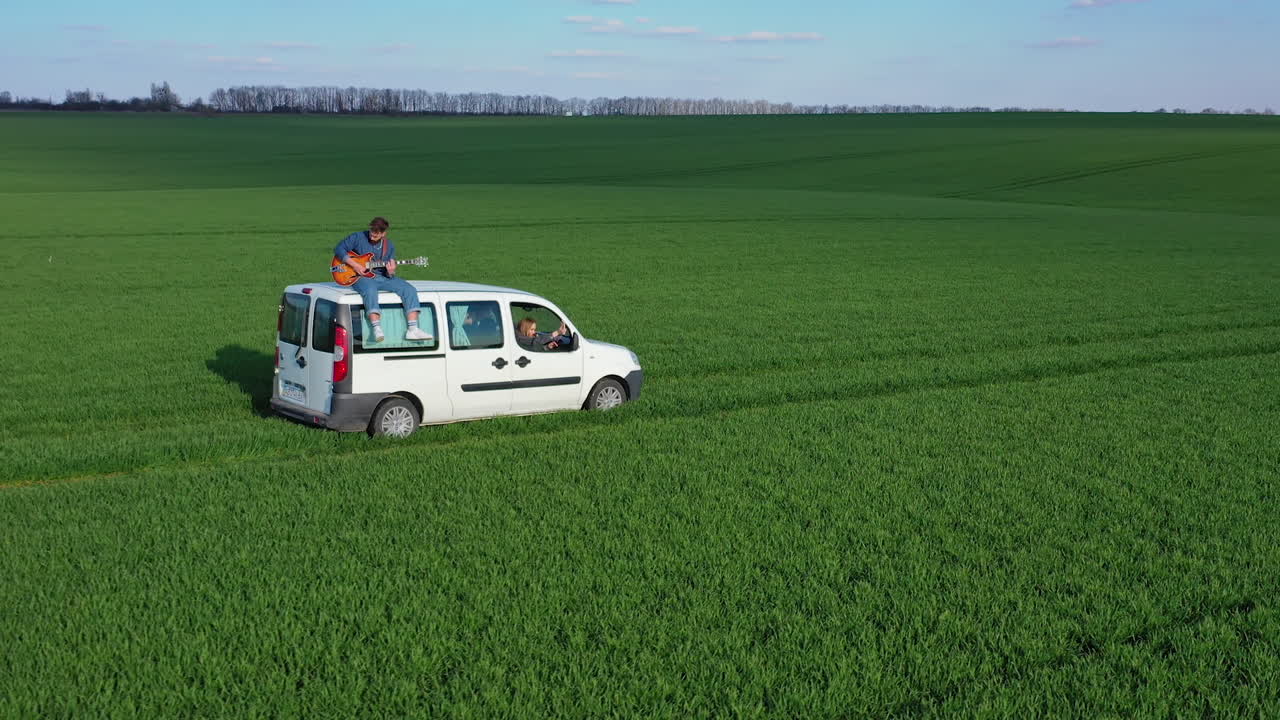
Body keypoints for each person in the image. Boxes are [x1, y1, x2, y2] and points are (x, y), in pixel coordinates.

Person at [334, 217, 431, 342]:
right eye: (371, 231)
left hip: (381, 277)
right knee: (370, 289)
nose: (373, 234)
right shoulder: (358, 237)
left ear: (383, 233)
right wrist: (355, 265)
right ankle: (376, 328)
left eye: (377, 233)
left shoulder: (389, 246)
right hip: (360, 276)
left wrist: (391, 272)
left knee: (409, 289)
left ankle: (413, 329)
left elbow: (389, 271)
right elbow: (339, 249)